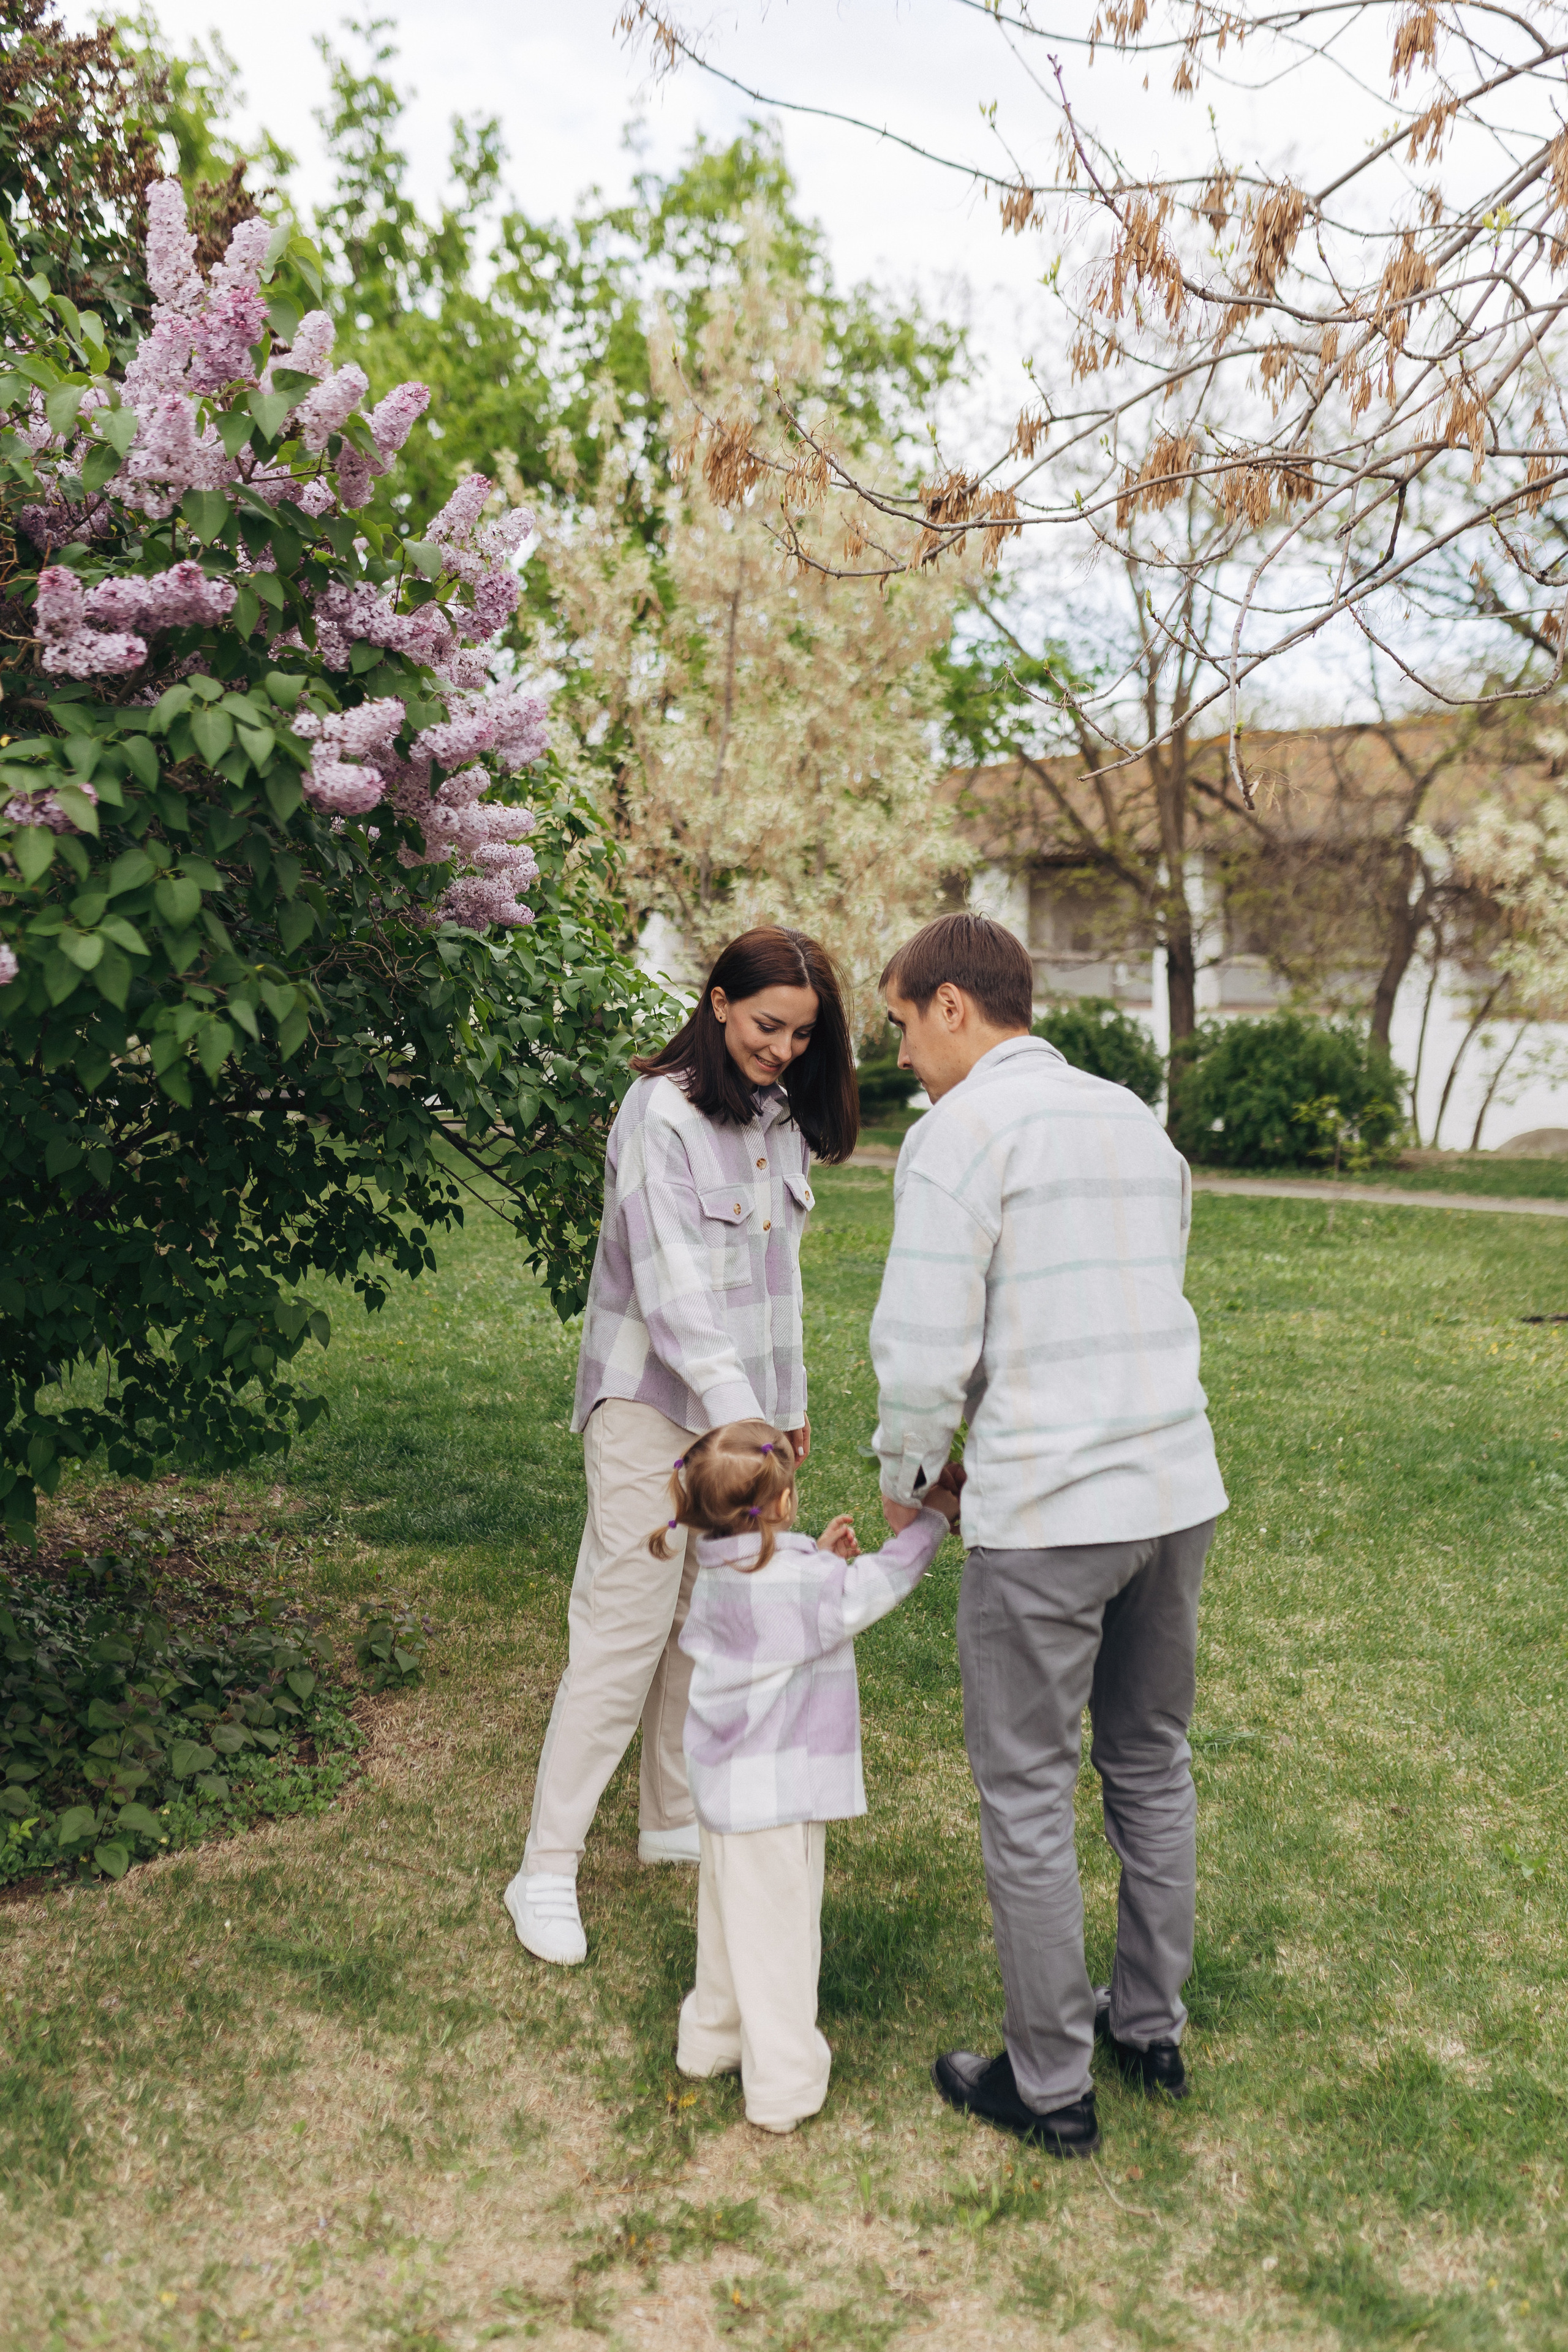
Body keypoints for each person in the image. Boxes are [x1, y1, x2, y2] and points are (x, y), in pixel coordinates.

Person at [870, 911, 1227, 2157]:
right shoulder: (1130, 1115)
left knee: (1026, 1789)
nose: (904, 1052)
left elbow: (922, 1338)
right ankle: (1146, 2026)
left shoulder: (957, 1133)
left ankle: (1048, 2087)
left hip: (1050, 1511)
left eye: (904, 1023)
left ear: (952, 1007)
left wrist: (909, 1475)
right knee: (1148, 1758)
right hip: (1173, 1488)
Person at [507, 928, 861, 1966]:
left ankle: (670, 1817)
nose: (784, 1049)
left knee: (700, 1620)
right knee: (622, 1629)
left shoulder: (781, 1117)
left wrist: (781, 1408)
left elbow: (777, 1279)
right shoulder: (657, 1112)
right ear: (715, 1003)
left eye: (801, 1034)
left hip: (743, 1410)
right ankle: (545, 1869)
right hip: (652, 1408)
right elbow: (674, 1299)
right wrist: (742, 1421)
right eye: (766, 1026)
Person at [667, 1418, 958, 2132]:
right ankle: (785, 2084)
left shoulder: (719, 1571)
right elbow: (872, 1588)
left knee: (730, 1920)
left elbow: (788, 1589)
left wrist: (816, 1555)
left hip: (725, 1791)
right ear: (782, 1507)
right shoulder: (795, 1584)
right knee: (779, 1940)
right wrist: (934, 1522)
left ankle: (711, 2038)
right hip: (776, 1797)